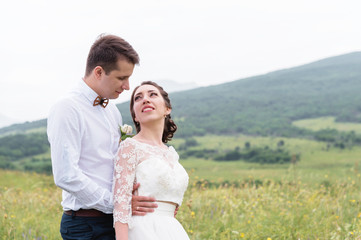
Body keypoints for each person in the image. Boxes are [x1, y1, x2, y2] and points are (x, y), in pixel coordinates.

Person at [47, 34, 157, 240]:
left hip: (117, 219)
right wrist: (116, 202)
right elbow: (66, 175)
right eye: (121, 78)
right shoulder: (67, 108)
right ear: (99, 72)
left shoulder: (112, 111)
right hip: (86, 225)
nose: (127, 86)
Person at [113, 81, 190, 240]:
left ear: (167, 109)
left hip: (173, 231)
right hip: (142, 230)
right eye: (138, 98)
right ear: (135, 114)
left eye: (152, 94)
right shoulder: (130, 147)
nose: (145, 99)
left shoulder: (171, 154)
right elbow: (120, 206)